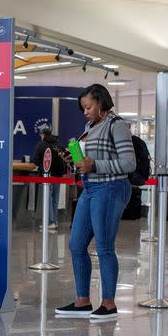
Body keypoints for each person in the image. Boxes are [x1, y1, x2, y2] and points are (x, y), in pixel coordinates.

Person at [55, 84, 135, 320]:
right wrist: (75, 161)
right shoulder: (90, 126)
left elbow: (129, 163)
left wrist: (95, 165)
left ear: (101, 103)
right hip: (89, 188)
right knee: (76, 244)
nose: (85, 112)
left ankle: (109, 304)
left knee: (104, 246)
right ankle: (82, 301)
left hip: (110, 188)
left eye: (88, 107)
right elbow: (88, 162)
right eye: (83, 108)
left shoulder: (116, 125)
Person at [30, 123, 66, 232]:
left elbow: (35, 162)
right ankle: (54, 221)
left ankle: (50, 222)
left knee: (48, 199)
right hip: (58, 176)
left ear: (43, 135)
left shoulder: (41, 144)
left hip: (47, 176)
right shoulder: (58, 144)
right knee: (54, 200)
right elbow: (66, 156)